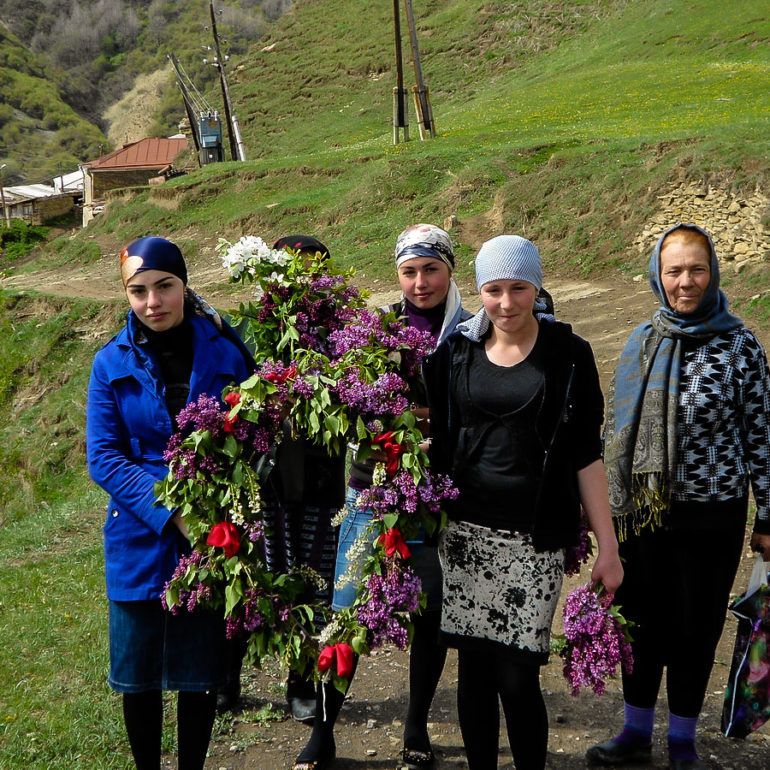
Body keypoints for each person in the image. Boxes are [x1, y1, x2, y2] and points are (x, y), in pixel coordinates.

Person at [422, 235, 624, 770]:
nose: (506, 304)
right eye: (493, 290)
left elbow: (586, 454)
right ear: (478, 291)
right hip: (465, 536)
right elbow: (440, 436)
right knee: (473, 674)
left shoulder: (569, 355)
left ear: (537, 286)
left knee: (517, 675)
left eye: (519, 288)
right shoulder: (456, 351)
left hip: (534, 538)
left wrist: (608, 548)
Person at [586, 223, 770, 770]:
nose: (685, 281)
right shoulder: (642, 341)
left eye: (696, 269)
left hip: (712, 514)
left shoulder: (740, 345)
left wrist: (769, 514)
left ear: (712, 273)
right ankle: (635, 731)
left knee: (696, 624)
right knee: (639, 619)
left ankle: (684, 739)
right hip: (641, 514)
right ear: (656, 275)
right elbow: (612, 433)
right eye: (674, 270)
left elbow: (763, 433)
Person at [293, 223, 472, 770]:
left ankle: (416, 726)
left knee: (431, 614)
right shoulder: (376, 332)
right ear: (396, 274)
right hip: (371, 489)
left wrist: (431, 423)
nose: (420, 283)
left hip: (439, 496)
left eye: (431, 269)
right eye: (409, 271)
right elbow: (351, 403)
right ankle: (323, 730)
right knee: (346, 609)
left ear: (449, 270)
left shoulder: (471, 331)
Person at [86, 236, 255, 769]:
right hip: (139, 533)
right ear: (127, 295)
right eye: (138, 291)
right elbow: (105, 458)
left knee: (197, 672)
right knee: (138, 676)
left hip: (213, 533)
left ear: (184, 286)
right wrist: (174, 512)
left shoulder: (228, 353)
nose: (152, 301)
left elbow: (253, 436)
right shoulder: (110, 363)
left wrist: (220, 507)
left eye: (164, 286)